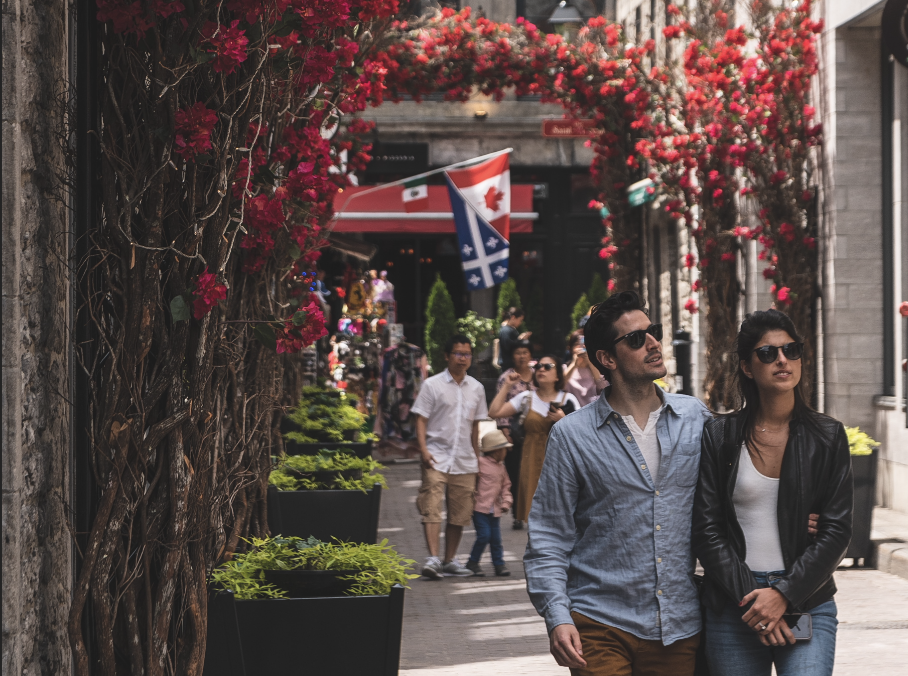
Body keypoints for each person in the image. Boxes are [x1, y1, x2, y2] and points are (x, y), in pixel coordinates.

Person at [523, 291, 712, 675]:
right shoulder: (573, 435)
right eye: (637, 339)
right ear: (607, 358)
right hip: (598, 623)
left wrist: (799, 514)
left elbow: (736, 493)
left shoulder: (696, 418)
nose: (654, 344)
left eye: (653, 332)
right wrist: (557, 616)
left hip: (676, 627)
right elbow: (548, 535)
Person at [693, 309, 853, 676]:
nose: (782, 360)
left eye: (791, 350)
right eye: (768, 353)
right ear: (748, 367)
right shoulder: (720, 436)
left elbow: (837, 531)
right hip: (735, 604)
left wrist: (783, 595)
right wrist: (755, 601)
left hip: (806, 598)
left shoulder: (828, 436)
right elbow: (706, 529)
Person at [411, 334, 489, 579]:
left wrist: (477, 460)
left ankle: (449, 560)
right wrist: (423, 450)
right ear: (447, 356)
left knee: (460, 512)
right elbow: (420, 420)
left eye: (467, 354)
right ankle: (433, 558)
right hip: (435, 456)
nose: (463, 358)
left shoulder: (477, 388)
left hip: (465, 459)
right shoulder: (432, 385)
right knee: (431, 507)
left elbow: (476, 427)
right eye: (458, 353)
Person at [488, 354, 579, 525]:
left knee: (559, 516)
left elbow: (582, 434)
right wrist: (507, 385)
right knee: (534, 518)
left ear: (558, 375)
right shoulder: (526, 398)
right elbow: (494, 412)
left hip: (560, 462)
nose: (541, 370)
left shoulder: (568, 400)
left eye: (547, 366)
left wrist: (563, 420)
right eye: (538, 367)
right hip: (531, 460)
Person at [495, 338, 535, 530]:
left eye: (525, 352)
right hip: (514, 433)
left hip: (536, 433)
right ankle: (518, 515)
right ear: (512, 356)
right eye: (518, 353)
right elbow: (499, 406)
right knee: (516, 474)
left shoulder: (539, 374)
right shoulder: (507, 378)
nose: (521, 356)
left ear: (530, 355)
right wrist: (504, 431)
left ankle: (534, 511)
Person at [465, 429, 514, 578]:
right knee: (484, 536)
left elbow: (506, 486)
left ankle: (499, 564)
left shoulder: (501, 467)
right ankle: (472, 562)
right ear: (497, 451)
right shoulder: (480, 464)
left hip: (495, 510)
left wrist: (506, 501)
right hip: (480, 508)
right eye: (504, 450)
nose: (506, 452)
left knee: (496, 539)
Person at [563, 330, 608, 406]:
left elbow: (604, 388)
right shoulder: (565, 368)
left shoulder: (599, 368)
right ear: (570, 349)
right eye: (577, 344)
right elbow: (560, 386)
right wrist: (574, 364)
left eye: (585, 345)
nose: (582, 347)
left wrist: (591, 363)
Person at [498, 307, 531, 372]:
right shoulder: (506, 330)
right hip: (508, 365)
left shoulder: (509, 329)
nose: (520, 323)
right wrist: (521, 340)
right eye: (520, 320)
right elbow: (508, 347)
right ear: (513, 317)